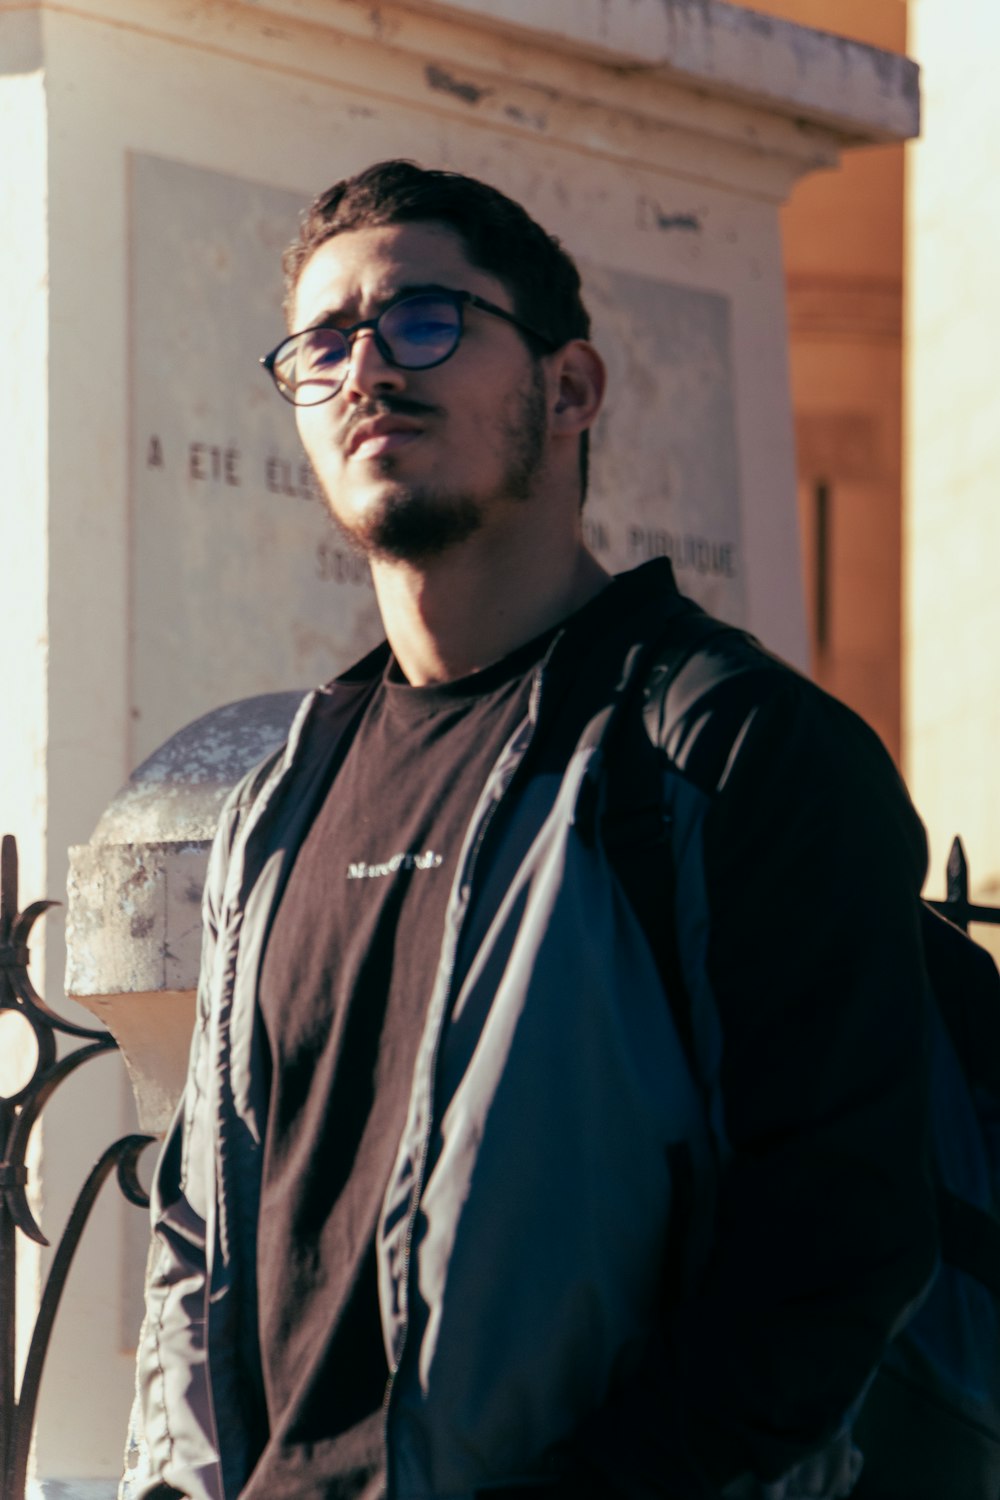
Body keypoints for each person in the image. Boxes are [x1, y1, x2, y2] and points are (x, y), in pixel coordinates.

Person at [128, 160, 937, 1500]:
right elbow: (197, 1230)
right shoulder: (279, 808)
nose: (369, 370)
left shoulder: (727, 750)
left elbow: (836, 1252)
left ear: (570, 391)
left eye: (427, 320)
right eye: (323, 345)